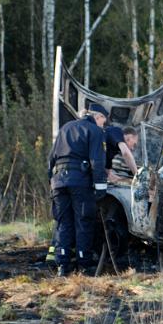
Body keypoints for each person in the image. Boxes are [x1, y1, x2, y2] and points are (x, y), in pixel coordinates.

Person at [48, 103, 108, 277]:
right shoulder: (95, 131)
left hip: (58, 181)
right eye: (104, 120)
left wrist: (50, 181)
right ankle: (83, 265)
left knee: (63, 222)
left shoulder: (65, 128)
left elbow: (51, 157)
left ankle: (63, 266)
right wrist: (100, 187)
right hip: (80, 182)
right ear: (97, 117)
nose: (104, 124)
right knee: (83, 221)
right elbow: (97, 162)